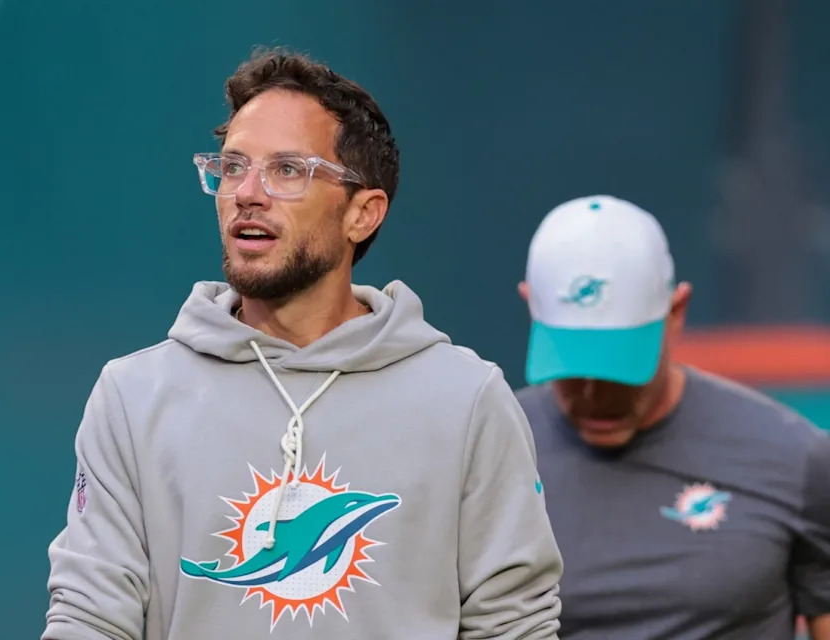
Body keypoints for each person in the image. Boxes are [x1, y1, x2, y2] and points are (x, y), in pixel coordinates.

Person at [42, 48, 563, 640]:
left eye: (287, 170)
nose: (247, 192)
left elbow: (513, 625)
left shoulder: (468, 400)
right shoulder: (132, 397)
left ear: (362, 215)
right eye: (234, 166)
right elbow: (90, 617)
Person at [514, 194, 830, 639]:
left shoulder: (799, 459)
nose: (594, 395)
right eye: (573, 367)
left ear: (676, 313)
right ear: (530, 307)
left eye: (620, 368)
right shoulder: (484, 451)